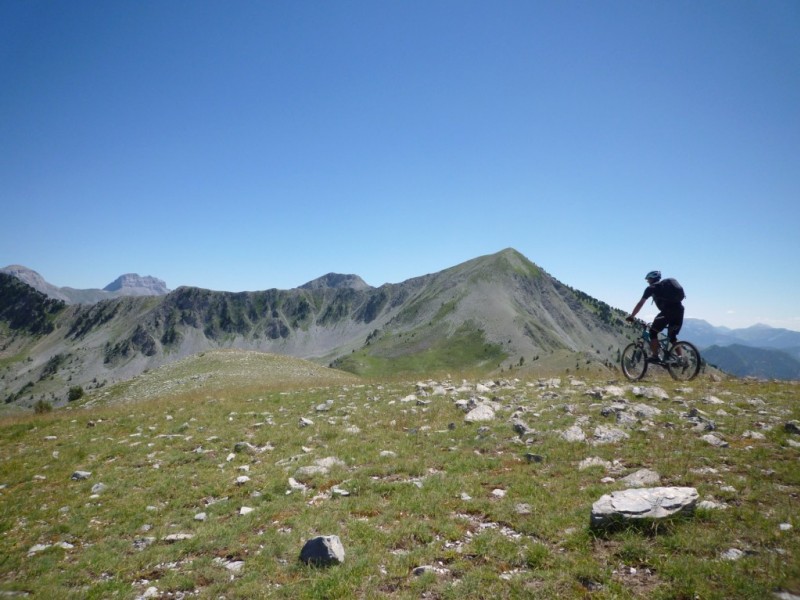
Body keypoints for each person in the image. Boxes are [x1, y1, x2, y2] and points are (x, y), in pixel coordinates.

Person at [626, 270, 685, 363]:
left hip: (667, 312)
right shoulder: (666, 286)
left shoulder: (651, 288)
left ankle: (655, 356)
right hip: (680, 310)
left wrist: (632, 316)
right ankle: (680, 359)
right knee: (672, 336)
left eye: (648, 279)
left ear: (651, 279)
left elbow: (640, 304)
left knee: (652, 332)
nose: (648, 281)